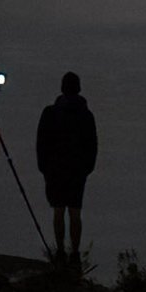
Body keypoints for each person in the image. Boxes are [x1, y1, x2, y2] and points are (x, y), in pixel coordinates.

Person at [35, 71, 98, 263]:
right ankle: (75, 253)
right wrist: (87, 167)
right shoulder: (86, 115)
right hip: (77, 170)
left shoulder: (50, 113)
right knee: (75, 211)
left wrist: (44, 167)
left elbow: (41, 142)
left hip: (55, 169)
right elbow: (92, 144)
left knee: (59, 210)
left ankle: (61, 251)